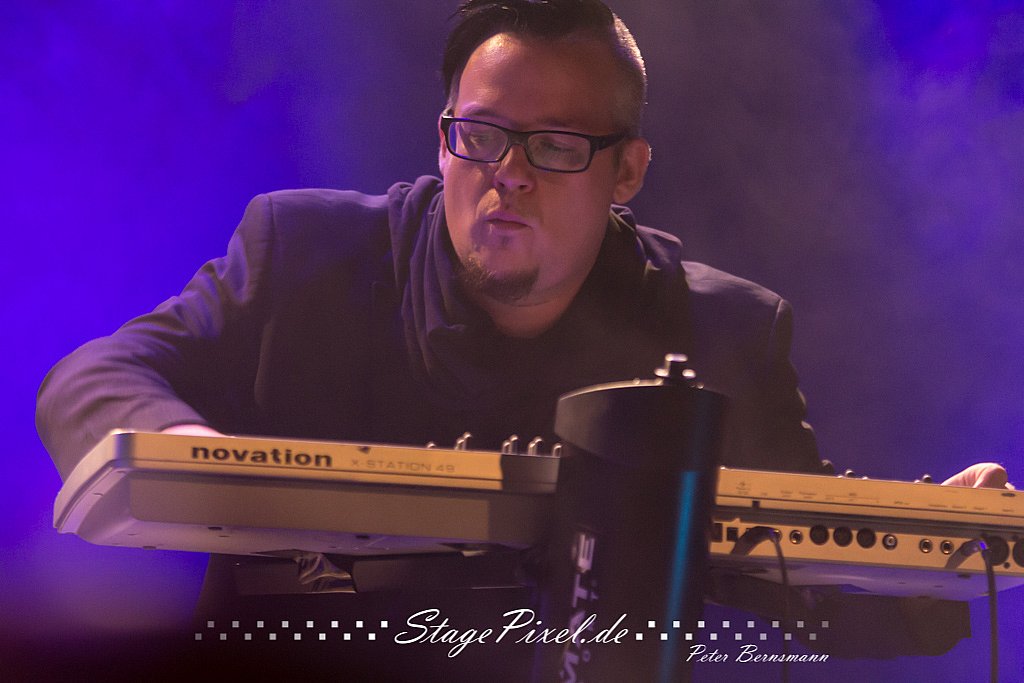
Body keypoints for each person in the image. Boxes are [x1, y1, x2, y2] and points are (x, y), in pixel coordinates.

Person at [35, 0, 1009, 680]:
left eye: (555, 146)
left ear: (626, 172)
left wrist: (948, 547)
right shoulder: (305, 254)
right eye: (482, 134)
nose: (508, 174)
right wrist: (189, 451)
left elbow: (805, 575)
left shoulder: (718, 326)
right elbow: (99, 372)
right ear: (443, 138)